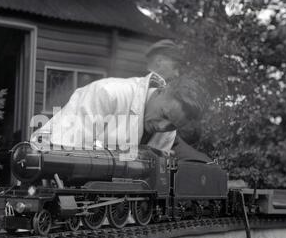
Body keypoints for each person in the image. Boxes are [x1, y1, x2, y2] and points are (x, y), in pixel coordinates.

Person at [31, 39, 211, 162]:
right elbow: (61, 151)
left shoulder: (169, 129)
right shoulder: (107, 93)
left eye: (172, 126)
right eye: (164, 114)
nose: (163, 127)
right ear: (160, 91)